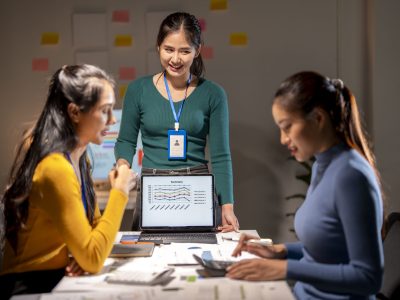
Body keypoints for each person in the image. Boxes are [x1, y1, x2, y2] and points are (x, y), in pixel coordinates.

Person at [226, 71, 384, 299]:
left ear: (318, 119)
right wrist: (279, 251)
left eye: (287, 126)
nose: (283, 139)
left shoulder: (351, 175)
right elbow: (327, 252)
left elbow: (368, 278)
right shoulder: (322, 165)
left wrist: (284, 269)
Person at [0, 64, 136, 298]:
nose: (113, 120)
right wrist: (120, 191)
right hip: (28, 288)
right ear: (74, 112)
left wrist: (80, 255)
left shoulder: (80, 159)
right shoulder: (56, 168)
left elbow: (94, 231)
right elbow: (94, 257)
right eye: (105, 111)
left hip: (58, 277)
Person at [115, 12, 238, 232]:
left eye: (184, 51)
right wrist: (122, 169)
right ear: (158, 48)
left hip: (197, 189)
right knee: (148, 260)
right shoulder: (138, 90)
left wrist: (227, 206)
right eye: (168, 49)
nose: (175, 59)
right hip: (153, 188)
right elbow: (126, 141)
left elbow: (221, 156)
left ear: (197, 51)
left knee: (198, 255)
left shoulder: (213, 94)